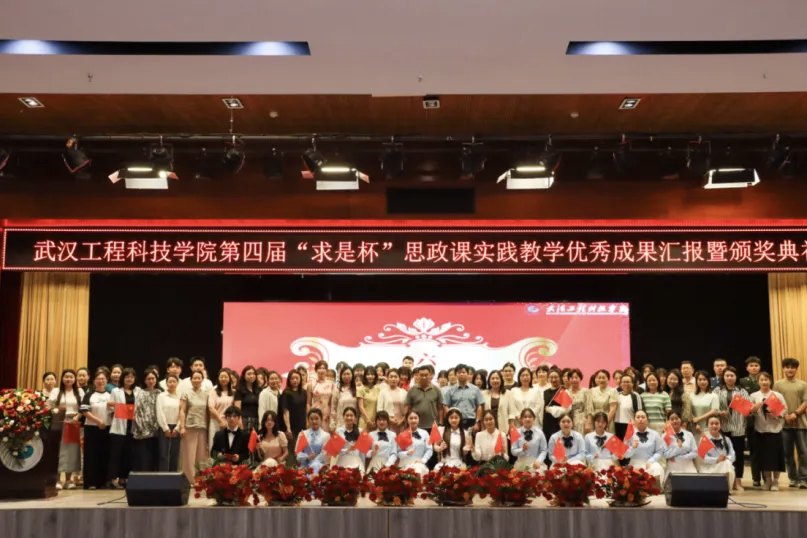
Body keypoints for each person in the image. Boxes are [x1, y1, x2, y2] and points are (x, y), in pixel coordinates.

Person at [749, 372, 788, 491]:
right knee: (764, 458)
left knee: (776, 457)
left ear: (770, 381)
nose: (764, 382)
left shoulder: (777, 395)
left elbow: (785, 409)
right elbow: (750, 411)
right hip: (760, 430)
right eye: (761, 380)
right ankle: (767, 480)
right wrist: (754, 409)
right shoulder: (754, 395)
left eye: (766, 380)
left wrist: (776, 414)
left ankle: (775, 482)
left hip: (775, 430)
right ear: (758, 382)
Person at [773, 358, 807, 489]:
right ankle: (793, 478)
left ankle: (803, 479)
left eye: (792, 367)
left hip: (801, 424)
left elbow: (805, 401)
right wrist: (785, 415)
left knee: (803, 452)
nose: (790, 369)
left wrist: (795, 414)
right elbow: (775, 402)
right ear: (783, 369)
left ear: (796, 369)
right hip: (784, 424)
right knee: (787, 453)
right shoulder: (778, 384)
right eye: (787, 367)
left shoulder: (803, 384)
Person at [714, 366, 750, 491]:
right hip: (723, 428)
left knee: (739, 456)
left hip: (738, 427)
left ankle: (738, 482)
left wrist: (749, 408)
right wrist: (720, 412)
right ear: (723, 377)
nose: (729, 378)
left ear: (736, 377)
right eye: (727, 376)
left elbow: (748, 410)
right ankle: (725, 480)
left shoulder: (742, 391)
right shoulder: (717, 390)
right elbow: (713, 408)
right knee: (724, 454)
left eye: (732, 376)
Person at [48, 369, 84, 489]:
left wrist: (77, 417)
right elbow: (49, 406)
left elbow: (84, 408)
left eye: (71, 377)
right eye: (66, 377)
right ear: (62, 378)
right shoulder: (56, 391)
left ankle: (68, 480)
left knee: (71, 451)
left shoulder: (79, 391)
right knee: (58, 450)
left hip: (73, 423)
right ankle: (57, 480)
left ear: (75, 379)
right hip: (58, 423)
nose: (69, 379)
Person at [80, 370, 114, 489]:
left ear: (107, 381)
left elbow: (115, 411)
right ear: (94, 381)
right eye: (98, 379)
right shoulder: (89, 394)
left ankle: (103, 482)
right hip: (92, 428)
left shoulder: (110, 395)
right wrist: (98, 421)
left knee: (104, 455)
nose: (101, 381)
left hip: (107, 428)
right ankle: (90, 482)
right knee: (91, 456)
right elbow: (84, 411)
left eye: (103, 379)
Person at [108, 368, 139, 489]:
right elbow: (110, 408)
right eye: (127, 377)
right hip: (119, 427)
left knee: (128, 454)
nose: (129, 379)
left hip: (133, 427)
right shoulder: (116, 391)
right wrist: (113, 405)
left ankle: (123, 478)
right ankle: (113, 479)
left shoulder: (138, 391)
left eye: (131, 377)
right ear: (123, 378)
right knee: (116, 455)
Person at [178, 371, 210, 483]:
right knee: (189, 455)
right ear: (191, 380)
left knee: (201, 455)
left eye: (198, 378)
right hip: (189, 427)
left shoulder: (206, 395)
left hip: (202, 427)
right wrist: (182, 427)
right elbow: (182, 411)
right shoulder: (186, 393)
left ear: (202, 380)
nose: (196, 380)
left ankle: (200, 480)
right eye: (194, 378)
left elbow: (208, 412)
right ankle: (188, 480)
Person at [132, 368, 162, 472]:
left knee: (155, 457)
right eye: (148, 379)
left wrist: (156, 426)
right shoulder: (140, 393)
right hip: (143, 431)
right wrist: (143, 428)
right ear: (144, 380)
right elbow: (138, 411)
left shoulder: (160, 393)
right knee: (144, 457)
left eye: (153, 378)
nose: (151, 381)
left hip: (157, 430)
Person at [739, 356, 762, 487]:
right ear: (747, 368)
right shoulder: (742, 381)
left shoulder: (764, 379)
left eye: (756, 365)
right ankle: (756, 478)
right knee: (753, 450)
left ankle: (767, 477)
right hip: (748, 419)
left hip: (764, 419)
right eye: (751, 365)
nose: (754, 368)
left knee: (763, 449)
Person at [623, 409, 665, 482]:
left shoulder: (655, 434)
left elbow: (660, 451)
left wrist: (651, 460)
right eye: (638, 417)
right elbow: (625, 455)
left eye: (643, 417)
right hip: (634, 463)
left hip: (650, 462)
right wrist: (632, 447)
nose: (640, 419)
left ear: (647, 420)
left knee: (657, 468)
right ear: (634, 420)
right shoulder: (629, 435)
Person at [697, 415, 736, 490]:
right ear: (707, 425)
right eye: (711, 424)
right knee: (726, 464)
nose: (714, 426)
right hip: (709, 468)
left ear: (720, 425)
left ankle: (726, 488)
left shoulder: (726, 439)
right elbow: (703, 459)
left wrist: (726, 457)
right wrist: (717, 459)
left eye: (717, 423)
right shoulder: (704, 440)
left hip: (724, 465)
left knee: (727, 463)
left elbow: (733, 456)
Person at [404, 365, 443, 435]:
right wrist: (406, 422)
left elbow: (440, 408)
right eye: (421, 375)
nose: (424, 377)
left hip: (432, 425)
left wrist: (440, 422)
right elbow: (407, 407)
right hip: (415, 425)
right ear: (418, 376)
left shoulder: (436, 390)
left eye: (426, 375)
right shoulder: (412, 390)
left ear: (430, 375)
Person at [444, 364, 485, 431]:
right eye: (459, 372)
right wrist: (450, 418)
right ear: (456, 375)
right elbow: (445, 406)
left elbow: (479, 406)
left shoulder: (475, 389)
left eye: (463, 372)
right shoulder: (450, 390)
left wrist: (477, 422)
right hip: (456, 421)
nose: (461, 374)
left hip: (472, 421)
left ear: (468, 374)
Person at [280, 369, 308, 465]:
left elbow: (306, 408)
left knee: (303, 449)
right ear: (289, 380)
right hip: (292, 425)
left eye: (297, 378)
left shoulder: (304, 392)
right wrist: (288, 428)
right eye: (292, 378)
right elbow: (285, 411)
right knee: (292, 449)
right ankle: (291, 469)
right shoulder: (286, 393)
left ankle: (302, 469)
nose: (295, 380)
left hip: (302, 424)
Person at [156, 374, 181, 472]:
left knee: (174, 453)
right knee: (163, 453)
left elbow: (182, 413)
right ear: (166, 383)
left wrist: (178, 428)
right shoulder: (161, 396)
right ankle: (163, 476)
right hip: (164, 426)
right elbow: (160, 412)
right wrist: (165, 428)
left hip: (176, 427)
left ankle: (173, 476)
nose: (172, 384)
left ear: (177, 383)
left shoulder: (180, 397)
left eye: (174, 381)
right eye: (169, 382)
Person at [664, 411, 698, 483]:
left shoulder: (689, 434)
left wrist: (679, 457)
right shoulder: (665, 436)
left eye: (676, 418)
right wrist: (678, 448)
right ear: (668, 421)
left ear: (680, 419)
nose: (674, 421)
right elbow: (665, 454)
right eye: (672, 419)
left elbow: (695, 453)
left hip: (688, 464)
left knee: (694, 485)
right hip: (673, 466)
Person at [396, 410, 433, 476]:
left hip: (419, 463)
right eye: (411, 418)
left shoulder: (424, 433)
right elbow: (398, 453)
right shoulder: (402, 434)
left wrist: (423, 460)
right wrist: (407, 453)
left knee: (418, 470)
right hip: (405, 463)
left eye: (415, 418)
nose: (413, 420)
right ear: (407, 420)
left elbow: (429, 449)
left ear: (419, 419)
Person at [511, 408, 547, 473]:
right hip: (521, 465)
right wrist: (522, 450)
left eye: (530, 417)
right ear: (521, 419)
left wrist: (539, 461)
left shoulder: (540, 433)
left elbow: (544, 450)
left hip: (536, 464)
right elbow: (513, 451)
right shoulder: (516, 433)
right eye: (525, 417)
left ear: (534, 419)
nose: (527, 419)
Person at [296, 408, 331, 473]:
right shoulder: (302, 434)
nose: (314, 421)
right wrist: (306, 457)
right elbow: (298, 453)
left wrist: (312, 464)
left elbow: (323, 454)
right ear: (308, 420)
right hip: (304, 465)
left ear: (321, 420)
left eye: (316, 418)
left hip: (319, 465)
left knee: (314, 466)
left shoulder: (326, 435)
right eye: (311, 419)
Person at [208, 369, 234, 451]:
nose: (223, 379)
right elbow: (211, 407)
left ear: (229, 378)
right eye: (221, 377)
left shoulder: (233, 392)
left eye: (226, 377)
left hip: (230, 422)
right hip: (216, 421)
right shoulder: (213, 392)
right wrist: (221, 421)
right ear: (218, 378)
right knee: (215, 446)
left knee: (228, 446)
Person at [308, 360, 337, 433]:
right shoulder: (311, 384)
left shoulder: (332, 384)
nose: (321, 370)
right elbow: (308, 403)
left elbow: (333, 403)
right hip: (315, 414)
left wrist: (333, 419)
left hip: (328, 414)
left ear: (326, 370)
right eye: (319, 368)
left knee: (327, 436)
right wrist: (307, 418)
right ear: (316, 370)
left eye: (323, 368)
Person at [586, 369, 618, 434]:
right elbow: (590, 409)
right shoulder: (591, 391)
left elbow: (613, 409)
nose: (601, 380)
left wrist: (605, 423)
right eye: (599, 378)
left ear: (608, 379)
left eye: (603, 378)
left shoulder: (613, 391)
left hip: (607, 420)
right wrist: (589, 423)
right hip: (594, 421)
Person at [690, 370, 720, 438]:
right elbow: (689, 410)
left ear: (708, 381)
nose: (702, 382)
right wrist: (695, 421)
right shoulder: (691, 395)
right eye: (700, 379)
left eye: (704, 379)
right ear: (696, 381)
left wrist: (698, 419)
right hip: (694, 427)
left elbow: (714, 411)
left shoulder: (713, 396)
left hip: (708, 428)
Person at [542, 368, 570, 441]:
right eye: (551, 377)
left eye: (556, 377)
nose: (553, 379)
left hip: (559, 423)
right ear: (548, 378)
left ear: (560, 378)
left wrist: (551, 409)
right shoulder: (545, 392)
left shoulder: (563, 391)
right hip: (547, 423)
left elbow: (566, 409)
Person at [377, 368, 407, 433]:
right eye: (391, 377)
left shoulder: (404, 392)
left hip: (401, 423)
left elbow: (407, 409)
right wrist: (389, 419)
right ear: (387, 378)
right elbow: (379, 409)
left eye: (395, 377)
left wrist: (402, 420)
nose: (393, 379)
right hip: (387, 423)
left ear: (399, 378)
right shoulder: (383, 392)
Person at [614, 375, 642, 443]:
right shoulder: (617, 395)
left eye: (628, 382)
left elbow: (639, 412)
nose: (625, 384)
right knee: (619, 447)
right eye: (623, 382)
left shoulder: (635, 395)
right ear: (620, 384)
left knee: (629, 447)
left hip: (630, 426)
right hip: (617, 425)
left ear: (632, 384)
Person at [234, 365, 262, 432]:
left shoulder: (259, 390)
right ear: (244, 376)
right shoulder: (239, 390)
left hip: (257, 421)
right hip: (244, 420)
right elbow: (237, 408)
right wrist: (239, 422)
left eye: (253, 374)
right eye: (249, 374)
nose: (252, 376)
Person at [331, 366, 358, 431]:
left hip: (354, 423)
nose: (346, 376)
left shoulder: (357, 389)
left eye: (348, 374)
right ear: (341, 376)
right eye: (344, 374)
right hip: (340, 423)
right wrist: (332, 424)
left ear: (352, 375)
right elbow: (333, 408)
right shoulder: (337, 389)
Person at [357, 365, 381, 431]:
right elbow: (361, 407)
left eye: (372, 374)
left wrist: (377, 421)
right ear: (364, 376)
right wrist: (368, 421)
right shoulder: (360, 389)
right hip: (364, 421)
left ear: (375, 376)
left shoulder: (378, 389)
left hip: (376, 422)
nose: (370, 376)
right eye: (368, 374)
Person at [567, 369, 588, 434]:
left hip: (583, 421)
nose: (574, 380)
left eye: (576, 378)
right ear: (569, 379)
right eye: (572, 378)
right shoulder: (566, 392)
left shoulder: (585, 391)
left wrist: (588, 423)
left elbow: (589, 408)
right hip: (570, 421)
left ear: (580, 378)